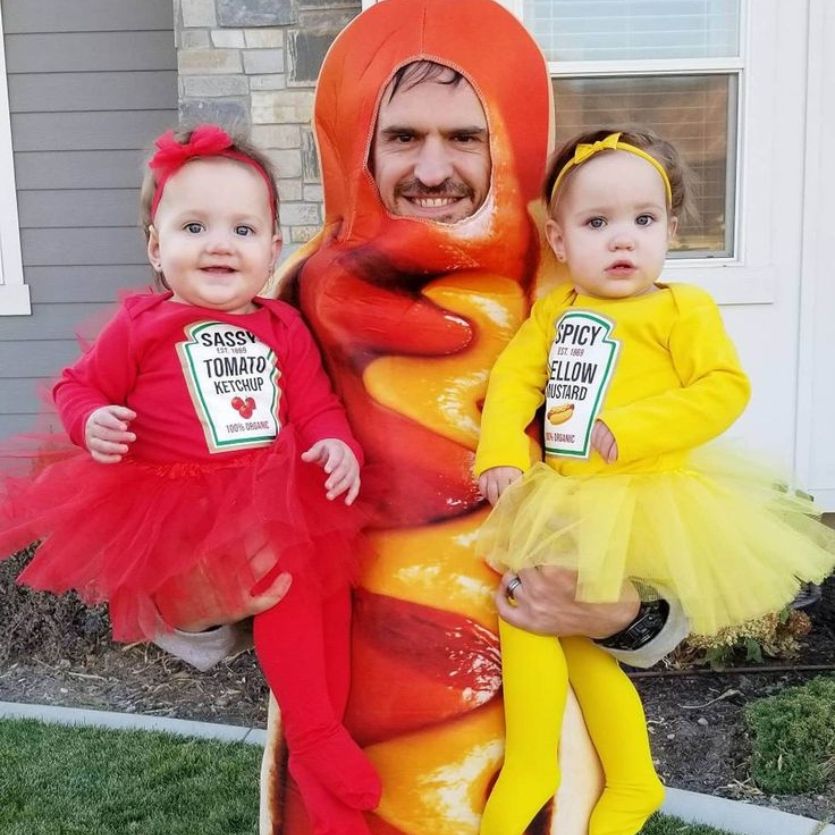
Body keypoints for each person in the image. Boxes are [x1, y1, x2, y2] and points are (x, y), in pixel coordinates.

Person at [159, 2, 687, 832]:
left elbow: (673, 500)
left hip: (537, 745)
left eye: (464, 137)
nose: (432, 168)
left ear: (510, 137)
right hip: (345, 739)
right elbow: (197, 497)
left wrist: (631, 614)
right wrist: (197, 600)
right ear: (356, 144)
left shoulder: (584, 291)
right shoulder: (284, 298)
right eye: (402, 136)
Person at [0, 124, 381, 833]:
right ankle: (316, 728)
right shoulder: (143, 325)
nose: (219, 243)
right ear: (155, 246)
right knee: (288, 588)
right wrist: (92, 422)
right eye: (194, 225)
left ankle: (322, 734)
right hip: (181, 502)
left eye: (243, 227)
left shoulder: (281, 327)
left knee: (323, 598)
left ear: (272, 248)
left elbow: (316, 402)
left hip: (275, 490)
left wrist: (335, 445)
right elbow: (76, 386)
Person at [475, 128, 835, 835]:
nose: (622, 240)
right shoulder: (555, 313)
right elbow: (515, 379)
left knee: (536, 620)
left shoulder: (680, 309)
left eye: (643, 221)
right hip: (563, 502)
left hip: (642, 499)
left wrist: (636, 428)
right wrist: (500, 455)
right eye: (596, 222)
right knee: (561, 637)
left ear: (670, 228)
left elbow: (722, 388)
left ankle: (541, 776)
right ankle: (628, 781)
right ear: (557, 237)